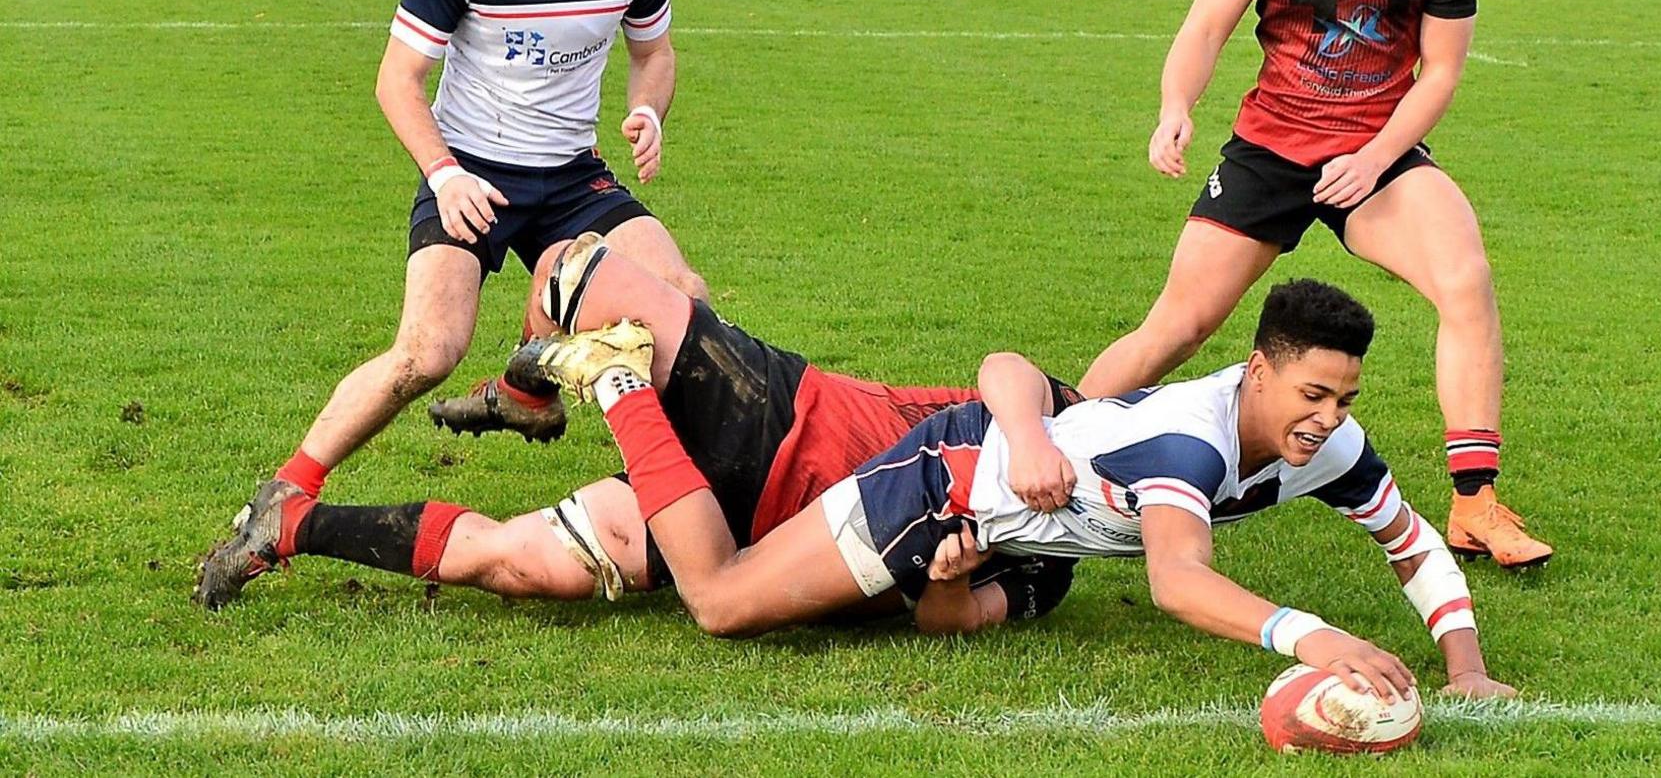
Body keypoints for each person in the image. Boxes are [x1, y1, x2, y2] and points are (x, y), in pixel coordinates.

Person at [524, 276, 1517, 700]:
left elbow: (1414, 541)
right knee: (721, 598)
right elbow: (1178, 582)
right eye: (1313, 393)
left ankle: (923, 568)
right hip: (939, 480)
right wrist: (1315, 637)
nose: (1330, 418)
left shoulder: (1332, 444)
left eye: (1346, 398)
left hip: (1030, 541)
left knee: (966, 611)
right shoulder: (1190, 442)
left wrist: (1463, 666)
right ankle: (618, 375)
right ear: (1256, 371)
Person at [202, 0, 709, 558]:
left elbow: (655, 51)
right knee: (427, 353)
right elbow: (397, 79)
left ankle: (689, 495)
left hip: (575, 178)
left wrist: (648, 109)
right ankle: (284, 492)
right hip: (471, 169)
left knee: (682, 297)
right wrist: (444, 173)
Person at [1078, 0, 1551, 568]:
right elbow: (1203, 33)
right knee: (1178, 327)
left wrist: (1373, 158)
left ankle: (1474, 504)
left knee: (1466, 279)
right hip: (1269, 151)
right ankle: (1049, 455)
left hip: (1378, 153)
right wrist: (1175, 106)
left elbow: (1439, 71)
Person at [196, 232, 1080, 634]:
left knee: (514, 566)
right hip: (785, 421)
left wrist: (952, 585)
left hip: (767, 547)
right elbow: (1013, 373)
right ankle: (529, 389)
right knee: (574, 270)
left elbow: (948, 621)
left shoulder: (1057, 566)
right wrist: (1033, 439)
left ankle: (290, 525)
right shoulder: (1075, 426)